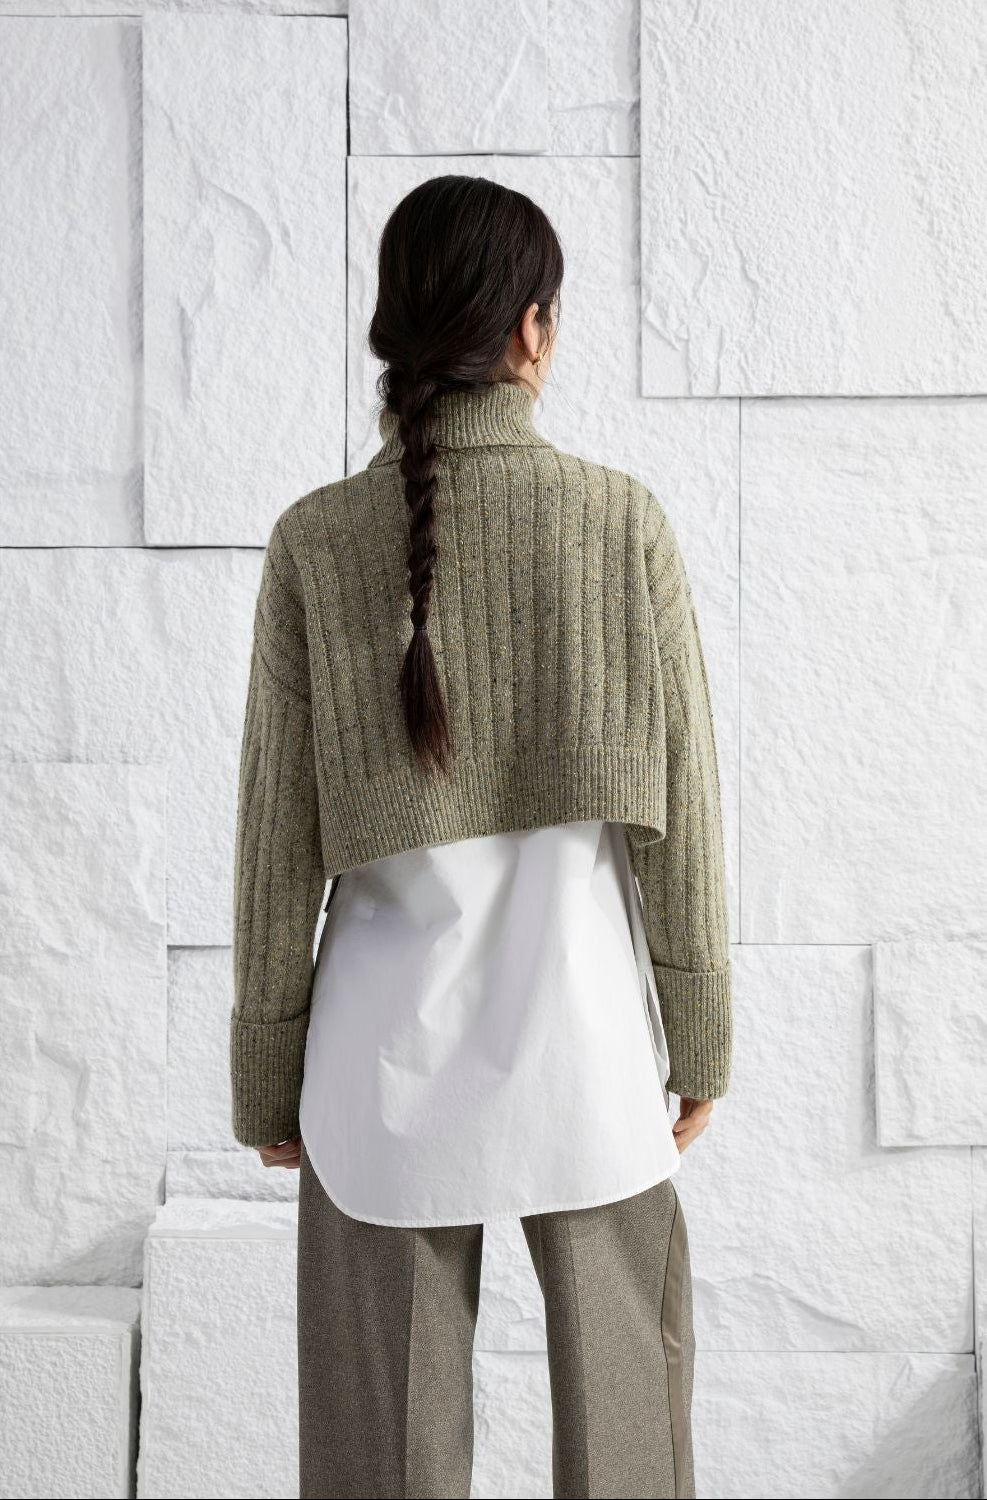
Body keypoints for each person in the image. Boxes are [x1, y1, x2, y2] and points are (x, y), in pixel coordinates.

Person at [230, 173, 733, 1500]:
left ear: (394, 330)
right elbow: (687, 817)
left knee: (377, 1466)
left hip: (379, 1077)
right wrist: (702, 1030)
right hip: (591, 1059)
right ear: (531, 330)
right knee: (631, 1453)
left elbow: (276, 846)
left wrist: (265, 1074)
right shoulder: (620, 524)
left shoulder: (313, 542)